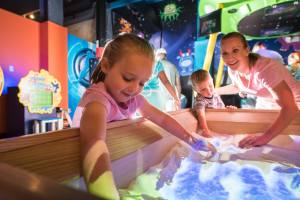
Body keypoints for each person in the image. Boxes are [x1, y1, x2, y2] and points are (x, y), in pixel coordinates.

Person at [72, 33, 213, 200]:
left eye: (141, 83)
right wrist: (105, 193)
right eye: (128, 78)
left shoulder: (133, 99)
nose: (134, 89)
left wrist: (191, 140)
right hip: (78, 174)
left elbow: (162, 119)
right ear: (106, 66)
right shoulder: (98, 100)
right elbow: (93, 144)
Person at [215, 32, 300, 148]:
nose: (229, 57)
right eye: (225, 53)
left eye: (235, 50)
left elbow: (290, 108)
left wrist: (263, 138)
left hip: (295, 103)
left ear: (246, 50)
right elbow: (238, 86)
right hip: (267, 102)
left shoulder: (264, 70)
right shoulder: (233, 68)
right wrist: (212, 91)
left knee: (277, 144)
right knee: (248, 138)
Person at [191, 69, 236, 137]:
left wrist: (227, 109)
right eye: (203, 89)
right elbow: (201, 115)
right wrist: (205, 129)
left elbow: (221, 108)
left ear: (212, 80)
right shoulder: (200, 100)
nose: (209, 92)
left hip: (219, 122)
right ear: (196, 90)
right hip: (209, 126)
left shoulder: (215, 94)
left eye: (210, 86)